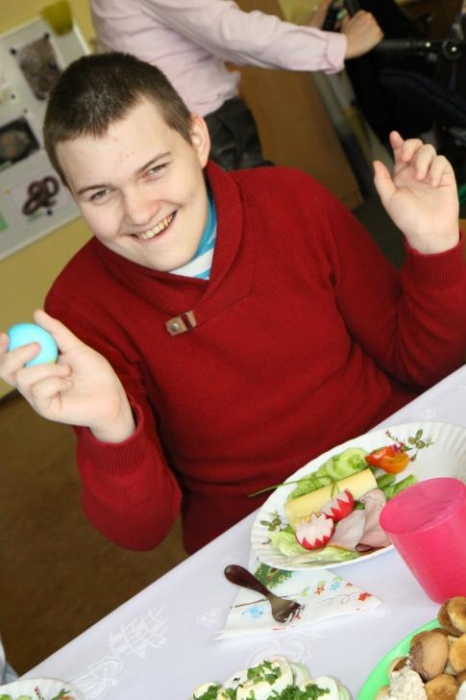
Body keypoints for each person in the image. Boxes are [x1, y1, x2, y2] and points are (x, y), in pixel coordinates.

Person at [1, 52, 466, 555]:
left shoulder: (292, 200)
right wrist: (114, 426)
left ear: (197, 139)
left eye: (154, 170)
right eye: (99, 194)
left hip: (398, 457)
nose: (137, 212)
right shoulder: (78, 311)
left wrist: (435, 247)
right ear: (75, 196)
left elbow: (426, 364)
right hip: (256, 538)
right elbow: (142, 532)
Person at [89, 0, 383, 169]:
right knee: (261, 230)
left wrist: (308, 34)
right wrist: (341, 45)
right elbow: (232, 33)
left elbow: (205, 39)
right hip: (204, 127)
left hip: (182, 127)